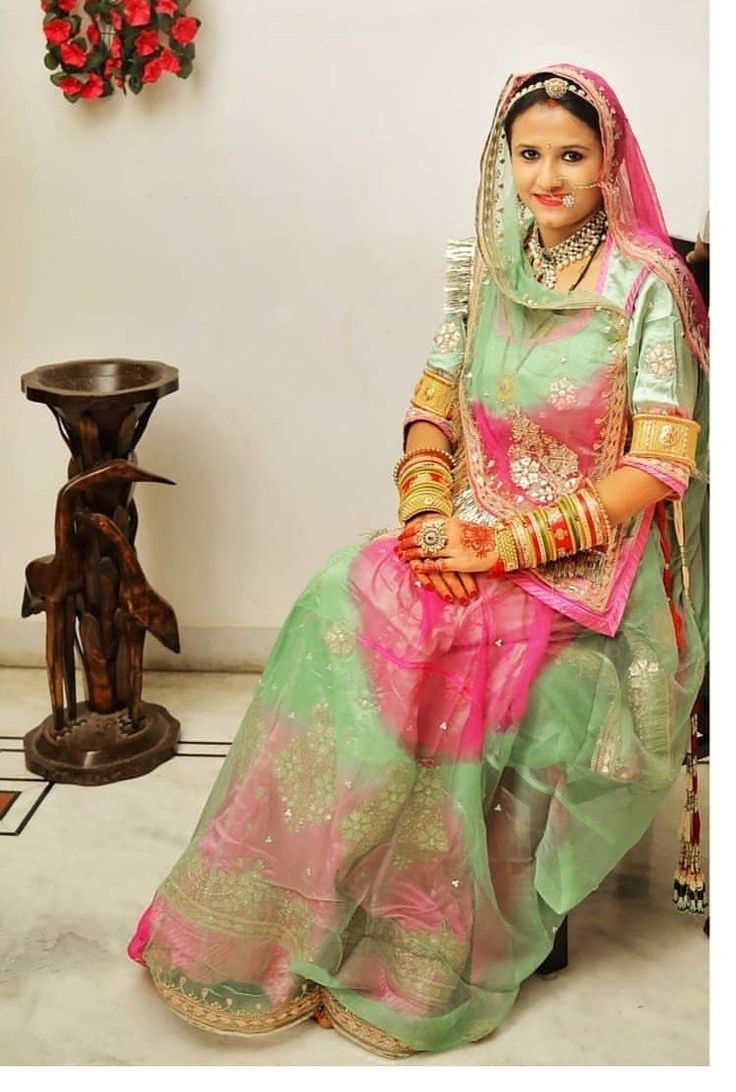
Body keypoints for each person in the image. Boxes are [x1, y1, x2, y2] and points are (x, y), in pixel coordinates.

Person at [128, 63, 709, 1057]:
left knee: (456, 653)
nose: (548, 178)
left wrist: (506, 544)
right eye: (528, 155)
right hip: (466, 530)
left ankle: (418, 941)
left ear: (607, 161)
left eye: (570, 155)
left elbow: (659, 465)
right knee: (334, 604)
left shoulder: (642, 286)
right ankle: (310, 913)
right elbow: (433, 394)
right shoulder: (487, 264)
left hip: (575, 561)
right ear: (503, 160)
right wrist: (428, 512)